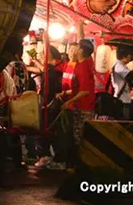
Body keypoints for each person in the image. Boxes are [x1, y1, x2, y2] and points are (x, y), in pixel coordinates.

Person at [51, 24, 95, 171]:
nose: (72, 48)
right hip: (74, 107)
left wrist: (68, 101)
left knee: (78, 137)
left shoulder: (85, 64)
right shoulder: (75, 64)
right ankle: (72, 164)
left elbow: (84, 91)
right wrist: (64, 94)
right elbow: (75, 89)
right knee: (71, 136)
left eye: (75, 47)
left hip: (83, 108)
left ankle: (81, 167)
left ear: (81, 50)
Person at [111, 46, 133, 120]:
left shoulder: (121, 66)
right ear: (127, 56)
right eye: (131, 56)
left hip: (124, 98)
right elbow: (131, 76)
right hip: (122, 99)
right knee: (123, 121)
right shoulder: (119, 66)